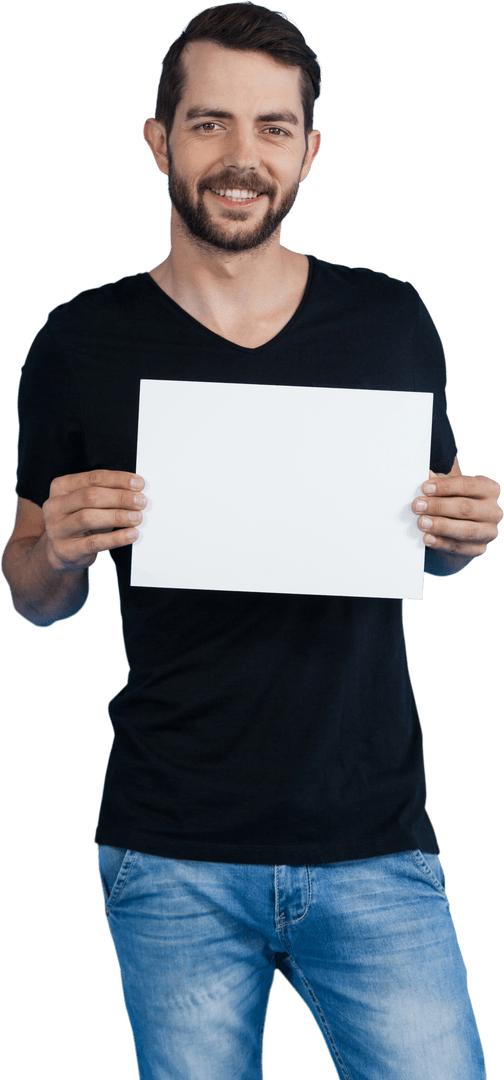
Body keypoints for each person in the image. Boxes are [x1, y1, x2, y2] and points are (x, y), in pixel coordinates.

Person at [2, 3, 501, 1078]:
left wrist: (462, 534)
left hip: (374, 834)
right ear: (159, 138)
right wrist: (65, 547)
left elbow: (432, 541)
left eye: (274, 128)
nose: (242, 157)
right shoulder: (81, 340)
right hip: (168, 843)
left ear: (309, 152)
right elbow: (35, 592)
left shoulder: (390, 319)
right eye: (211, 123)